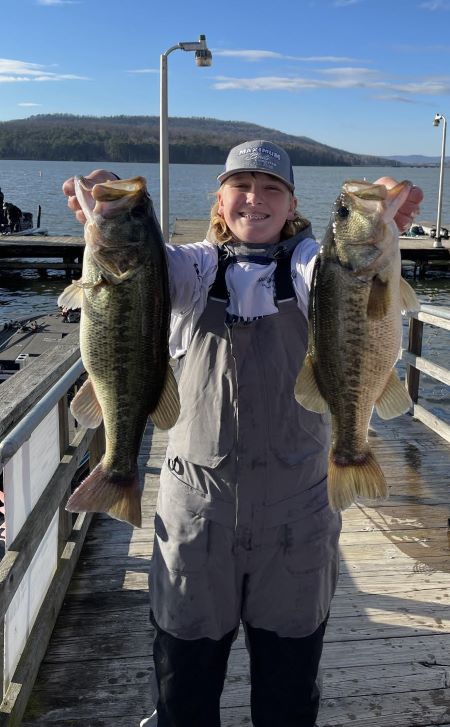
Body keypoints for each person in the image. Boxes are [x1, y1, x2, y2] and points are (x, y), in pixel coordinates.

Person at [63, 141, 423, 727]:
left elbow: (345, 285)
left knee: (287, 692)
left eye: (271, 188)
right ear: (221, 197)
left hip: (298, 509)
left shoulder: (316, 264)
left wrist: (381, 209)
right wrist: (101, 199)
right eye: (241, 185)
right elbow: (137, 275)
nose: (255, 199)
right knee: (185, 690)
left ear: (291, 204)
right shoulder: (187, 267)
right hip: (196, 510)